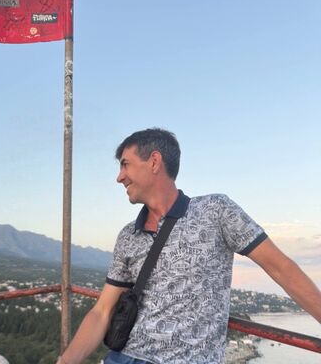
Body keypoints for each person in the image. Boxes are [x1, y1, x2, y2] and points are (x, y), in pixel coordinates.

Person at [56, 128, 321, 364]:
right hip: (123, 357)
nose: (119, 177)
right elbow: (102, 311)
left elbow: (280, 267)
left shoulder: (215, 211)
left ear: (154, 162)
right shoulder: (128, 235)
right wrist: (65, 361)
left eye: (125, 165)